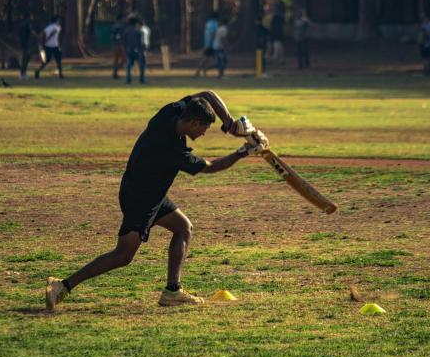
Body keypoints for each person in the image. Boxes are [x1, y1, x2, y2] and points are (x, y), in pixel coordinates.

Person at [44, 92, 265, 310]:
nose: (205, 133)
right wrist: (243, 151)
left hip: (147, 192)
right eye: (204, 128)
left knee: (183, 228)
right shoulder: (172, 149)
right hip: (141, 199)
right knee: (122, 255)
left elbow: (207, 94)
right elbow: (210, 166)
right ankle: (63, 285)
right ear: (195, 123)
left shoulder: (171, 112)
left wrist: (231, 124)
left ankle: (172, 291)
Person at [195, 11, 218, 77]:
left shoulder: (208, 23)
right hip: (211, 44)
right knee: (208, 59)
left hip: (206, 43)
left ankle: (203, 72)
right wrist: (212, 43)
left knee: (206, 59)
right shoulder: (214, 23)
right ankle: (199, 71)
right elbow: (213, 34)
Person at [124, 15, 145, 84]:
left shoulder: (126, 31)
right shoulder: (138, 31)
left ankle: (128, 79)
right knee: (141, 65)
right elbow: (140, 42)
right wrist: (142, 50)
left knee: (129, 65)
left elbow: (125, 42)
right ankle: (141, 79)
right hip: (137, 50)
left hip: (129, 50)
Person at [18, 12, 36, 80]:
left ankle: (23, 73)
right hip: (26, 44)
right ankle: (23, 74)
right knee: (25, 59)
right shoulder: (27, 23)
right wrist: (37, 36)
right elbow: (31, 32)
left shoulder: (21, 24)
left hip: (22, 43)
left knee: (26, 58)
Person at [111, 13, 126, 79]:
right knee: (123, 59)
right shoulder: (120, 26)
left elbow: (112, 36)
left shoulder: (114, 26)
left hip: (115, 44)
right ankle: (115, 72)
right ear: (120, 19)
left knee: (116, 60)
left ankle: (115, 73)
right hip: (119, 45)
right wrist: (121, 45)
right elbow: (119, 36)